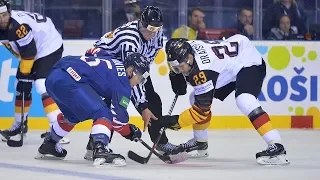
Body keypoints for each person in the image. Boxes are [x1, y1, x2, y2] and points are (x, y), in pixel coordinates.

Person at [162, 35, 290, 165]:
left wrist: (173, 122)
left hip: (248, 60)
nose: (179, 70)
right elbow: (171, 47)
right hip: (229, 63)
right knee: (195, 97)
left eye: (180, 67)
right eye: (175, 67)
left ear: (189, 58)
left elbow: (201, 111)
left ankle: (277, 147)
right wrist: (174, 73)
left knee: (244, 99)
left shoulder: (204, 70)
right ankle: (200, 143)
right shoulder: (182, 49)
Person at [84, 6, 184, 160]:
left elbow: (145, 64)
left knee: (154, 101)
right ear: (141, 23)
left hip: (129, 65)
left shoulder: (156, 34)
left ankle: (161, 142)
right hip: (105, 64)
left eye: (157, 29)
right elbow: (131, 75)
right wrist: (142, 106)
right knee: (114, 103)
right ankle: (96, 145)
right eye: (150, 28)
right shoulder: (129, 39)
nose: (153, 33)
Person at [35, 51, 149, 167]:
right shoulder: (123, 84)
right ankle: (100, 150)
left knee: (73, 115)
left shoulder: (112, 62)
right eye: (139, 78)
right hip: (71, 79)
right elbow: (117, 121)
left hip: (54, 75)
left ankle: (50, 143)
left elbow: (92, 52)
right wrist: (130, 132)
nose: (138, 83)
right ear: (130, 71)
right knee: (103, 113)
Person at [0, 0, 69, 144]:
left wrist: (26, 74)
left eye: (5, 15)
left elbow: (30, 52)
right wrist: (24, 77)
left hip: (49, 45)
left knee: (41, 85)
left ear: (9, 12)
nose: (2, 19)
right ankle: (19, 124)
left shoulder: (18, 26)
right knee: (21, 86)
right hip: (33, 48)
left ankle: (58, 130)